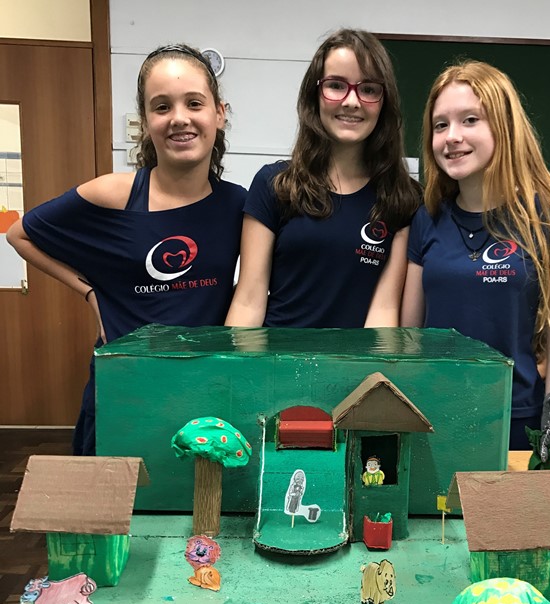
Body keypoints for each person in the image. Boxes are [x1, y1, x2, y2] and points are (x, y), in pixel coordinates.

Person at [7, 44, 247, 454]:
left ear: (219, 114)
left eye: (194, 103)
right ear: (146, 120)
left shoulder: (238, 204)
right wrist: (91, 294)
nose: (179, 118)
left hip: (204, 391)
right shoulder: (113, 194)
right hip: (124, 391)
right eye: (162, 107)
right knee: (114, 494)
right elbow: (19, 235)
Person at [400, 60, 550, 450]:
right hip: (433, 420)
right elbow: (409, 338)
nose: (452, 136)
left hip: (515, 424)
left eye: (470, 120)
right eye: (440, 125)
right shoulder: (426, 218)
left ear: (504, 127)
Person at [225, 29, 421, 329]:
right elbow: (248, 301)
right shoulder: (274, 184)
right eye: (336, 85)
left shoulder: (402, 197)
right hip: (276, 356)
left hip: (356, 359)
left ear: (385, 102)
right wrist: (234, 359)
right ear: (314, 94)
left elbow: (384, 312)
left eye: (369, 89)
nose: (352, 101)